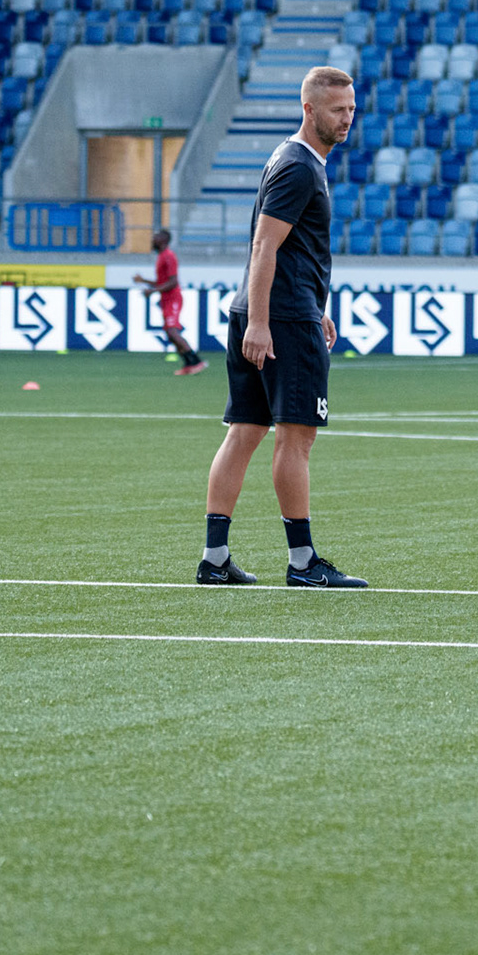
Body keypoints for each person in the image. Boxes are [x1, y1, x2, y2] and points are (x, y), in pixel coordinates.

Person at [198, 66, 364, 589]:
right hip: (278, 320)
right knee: (296, 439)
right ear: (309, 109)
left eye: (352, 109)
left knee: (245, 431)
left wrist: (312, 304)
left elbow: (288, 249)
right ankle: (302, 563)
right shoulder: (299, 166)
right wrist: (268, 322)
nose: (347, 119)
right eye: (338, 110)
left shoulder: (290, 159)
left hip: (273, 310)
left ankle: (215, 558)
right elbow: (264, 246)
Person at [135, 228, 203, 376]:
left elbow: (173, 282)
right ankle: (188, 364)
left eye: (156, 237)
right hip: (166, 299)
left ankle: (196, 361)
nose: (153, 239)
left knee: (172, 331)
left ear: (164, 240)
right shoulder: (161, 256)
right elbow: (162, 282)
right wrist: (143, 281)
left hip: (173, 298)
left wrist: (151, 291)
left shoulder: (169, 256)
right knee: (169, 333)